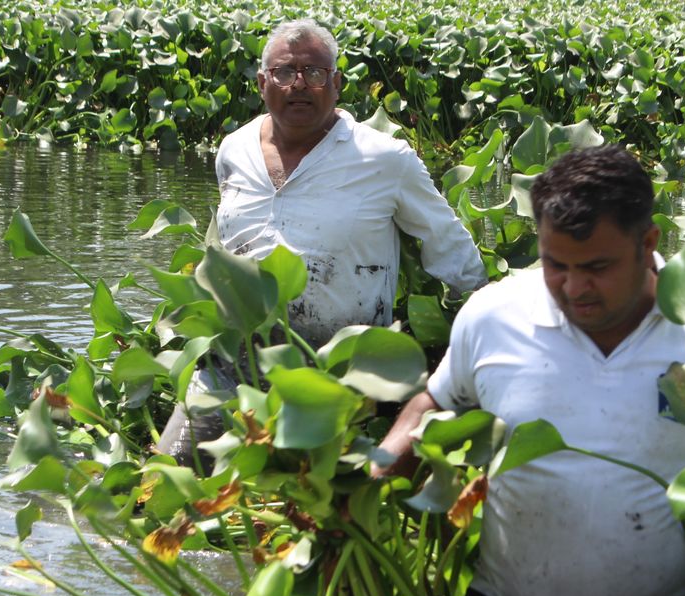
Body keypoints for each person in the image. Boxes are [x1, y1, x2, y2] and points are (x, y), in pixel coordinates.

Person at [376, 145, 685, 596]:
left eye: (598, 267)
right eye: (557, 265)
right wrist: (380, 463)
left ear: (647, 244)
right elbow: (436, 401)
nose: (574, 288)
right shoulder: (493, 315)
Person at [157, 18, 487, 461]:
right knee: (166, 471)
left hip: (342, 370)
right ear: (262, 82)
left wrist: (478, 331)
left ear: (336, 84)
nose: (299, 85)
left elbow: (454, 252)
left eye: (314, 73)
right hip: (235, 361)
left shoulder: (386, 159)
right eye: (284, 72)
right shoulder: (233, 150)